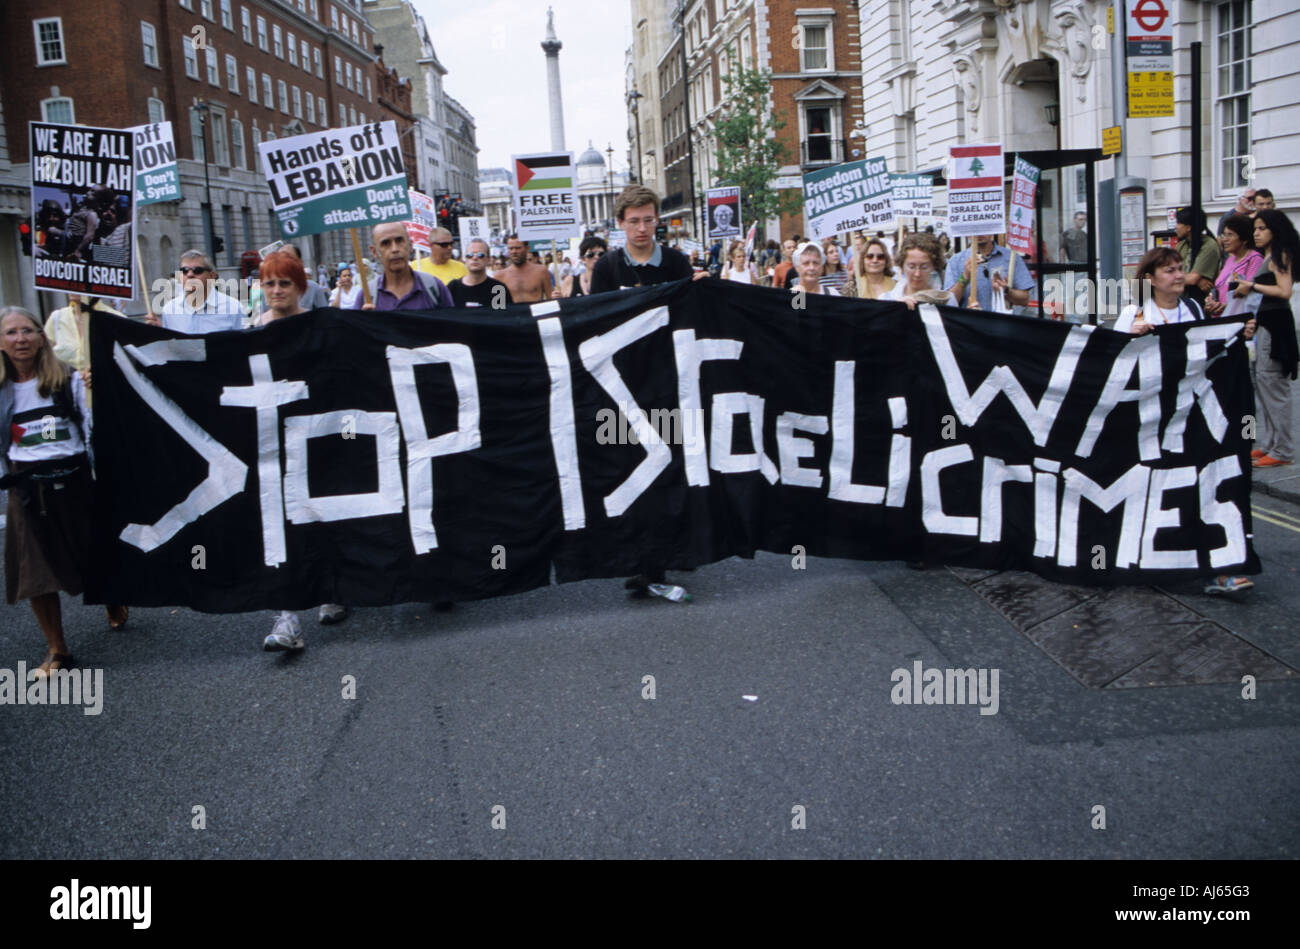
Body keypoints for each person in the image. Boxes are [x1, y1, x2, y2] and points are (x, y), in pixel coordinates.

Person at [1113, 249, 1258, 597]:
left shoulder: (1193, 309)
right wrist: (1128, 337)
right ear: (1150, 279)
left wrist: (1238, 333)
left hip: (1191, 419)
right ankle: (1141, 559)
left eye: (1180, 268)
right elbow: (1109, 364)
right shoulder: (1134, 312)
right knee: (1150, 491)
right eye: (1169, 270)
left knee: (1203, 487)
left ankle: (1218, 568)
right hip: (1148, 423)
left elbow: (1211, 355)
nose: (1178, 275)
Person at [588, 185, 706, 600]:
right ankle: (637, 557)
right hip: (620, 386)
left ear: (658, 220)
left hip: (665, 383)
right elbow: (593, 320)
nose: (641, 228)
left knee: (666, 467)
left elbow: (692, 316)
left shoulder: (675, 262)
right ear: (620, 223)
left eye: (648, 219)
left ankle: (660, 559)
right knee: (628, 468)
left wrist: (704, 289)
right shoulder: (606, 267)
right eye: (633, 220)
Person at [1, 306, 129, 678]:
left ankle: (111, 596)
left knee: (93, 554)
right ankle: (58, 649)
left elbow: (96, 425)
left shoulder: (68, 380)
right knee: (34, 570)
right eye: (11, 332)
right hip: (25, 486)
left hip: (72, 479)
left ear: (42, 337)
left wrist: (96, 388)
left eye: (27, 331)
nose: (20, 339)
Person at [250, 252, 348, 646]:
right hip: (274, 441)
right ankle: (287, 617)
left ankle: (332, 591)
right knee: (280, 525)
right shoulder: (253, 330)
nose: (276, 291)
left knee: (322, 514)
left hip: (319, 435)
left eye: (284, 283)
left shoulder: (319, 325)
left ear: (301, 288)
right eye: (269, 283)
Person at [1233, 209, 1299, 469]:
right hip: (1265, 326)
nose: (1256, 233)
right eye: (1255, 228)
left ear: (1275, 230)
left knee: (1273, 385)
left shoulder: (1281, 254)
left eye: (1262, 228)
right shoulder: (1268, 256)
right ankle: (1271, 445)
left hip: (1276, 327)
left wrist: (1253, 286)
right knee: (1263, 384)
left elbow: (1284, 291)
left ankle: (1283, 449)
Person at [357, 222, 453, 311]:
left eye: (399, 241)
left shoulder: (434, 287)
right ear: (374, 252)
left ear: (410, 245)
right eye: (386, 243)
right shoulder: (366, 296)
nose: (394, 249)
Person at [156, 250, 247, 333]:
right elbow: (169, 348)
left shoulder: (234, 308)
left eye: (197, 270)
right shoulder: (169, 310)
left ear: (212, 275)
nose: (190, 274)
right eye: (184, 271)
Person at [944, 234, 1033, 311]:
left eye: (984, 227)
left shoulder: (1011, 258)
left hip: (1001, 324)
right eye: (975, 227)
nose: (979, 232)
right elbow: (949, 302)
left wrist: (1006, 290)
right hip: (969, 325)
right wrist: (965, 276)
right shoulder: (956, 261)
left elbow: (1024, 300)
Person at [44, 295, 127, 371]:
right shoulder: (57, 317)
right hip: (66, 385)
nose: (73, 285)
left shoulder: (117, 319)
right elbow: (45, 357)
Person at [1205, 215, 1263, 318]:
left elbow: (1247, 290)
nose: (1225, 240)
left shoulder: (1254, 259)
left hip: (1239, 319)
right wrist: (1210, 300)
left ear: (1244, 239)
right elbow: (1219, 286)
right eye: (1224, 235)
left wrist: (1224, 306)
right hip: (1221, 319)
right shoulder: (1229, 260)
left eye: (1230, 235)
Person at [884, 233, 958, 309]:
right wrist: (896, 308)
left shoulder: (948, 300)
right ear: (902, 265)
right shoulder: (887, 300)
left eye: (924, 267)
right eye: (911, 267)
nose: (917, 274)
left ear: (934, 266)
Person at [1174, 207, 1222, 311]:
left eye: (1178, 223)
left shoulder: (1209, 245)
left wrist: (1194, 279)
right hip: (1181, 300)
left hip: (1201, 303)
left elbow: (1192, 279)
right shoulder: (1181, 245)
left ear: (1188, 227)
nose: (1175, 227)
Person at [447, 238, 513, 308]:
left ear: (489, 260)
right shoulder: (453, 287)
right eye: (470, 255)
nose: (474, 258)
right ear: (465, 259)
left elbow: (504, 316)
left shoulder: (498, 289)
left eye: (480, 255)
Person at [493, 235, 553, 303]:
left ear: (527, 248)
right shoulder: (499, 276)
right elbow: (497, 307)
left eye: (517, 248)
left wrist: (558, 297)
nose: (514, 252)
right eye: (511, 248)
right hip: (513, 312)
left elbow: (551, 299)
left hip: (535, 312)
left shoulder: (541, 271)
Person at [280, 244, 331, 310]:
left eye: (290, 259)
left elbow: (325, 315)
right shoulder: (271, 291)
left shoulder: (314, 288)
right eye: (281, 260)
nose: (285, 264)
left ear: (300, 262)